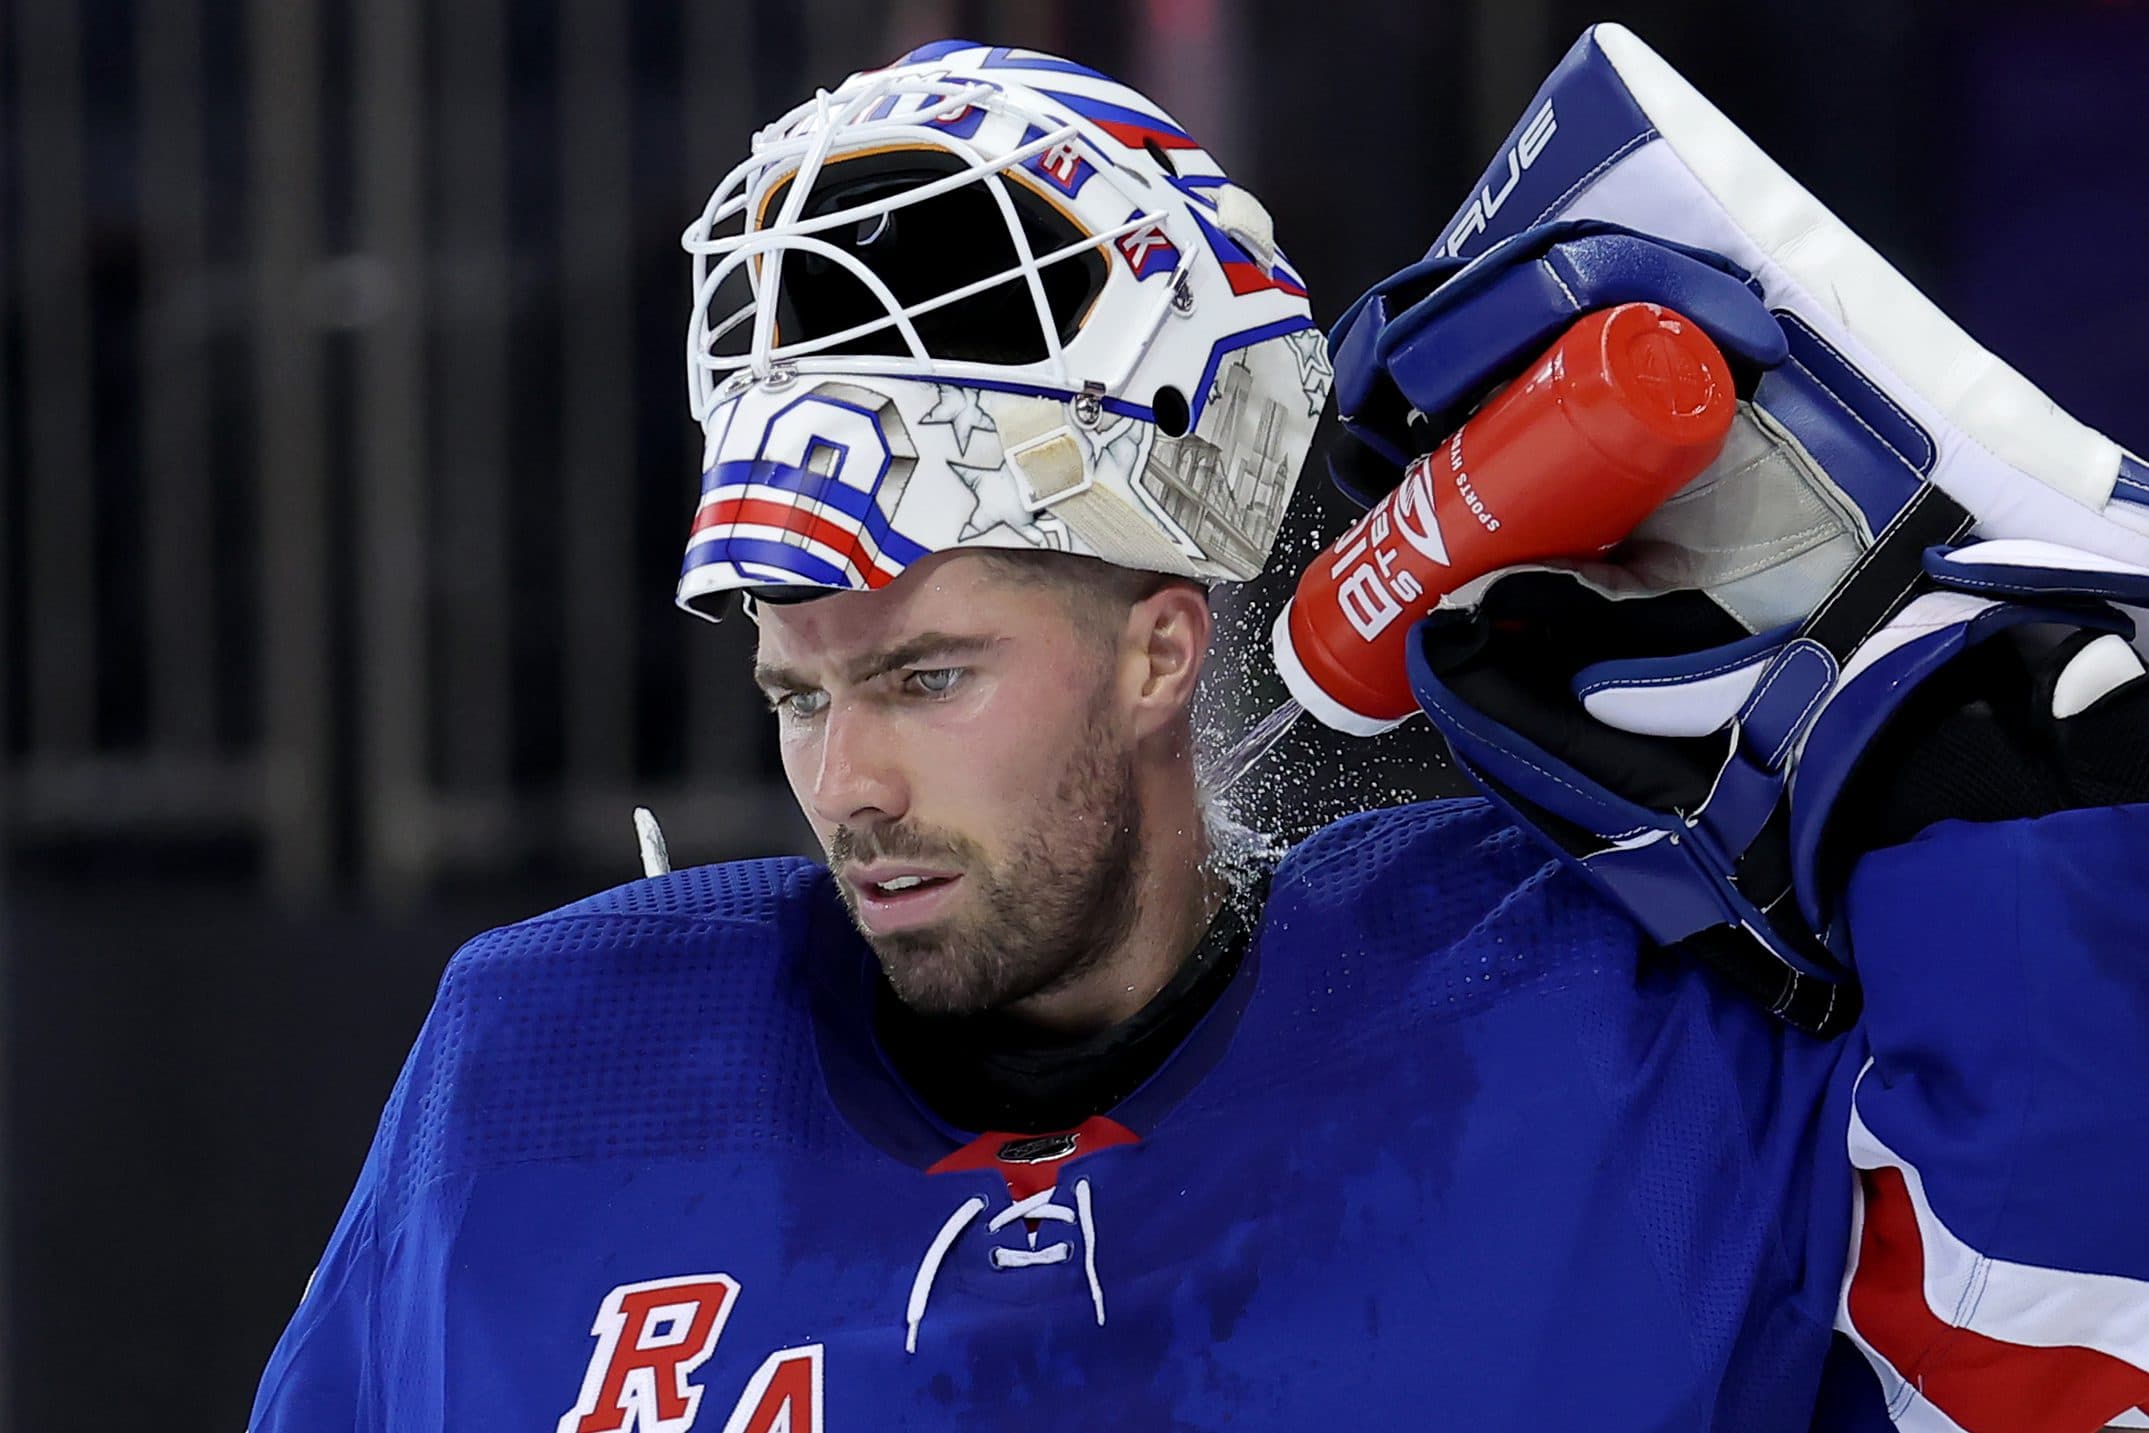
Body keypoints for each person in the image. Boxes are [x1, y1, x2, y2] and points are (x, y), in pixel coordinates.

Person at [250, 38, 2149, 1432]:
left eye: (925, 677)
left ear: (1167, 650)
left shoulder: (1596, 1015)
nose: (850, 788)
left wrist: (1990, 799)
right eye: (795, 692)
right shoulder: (548, 1065)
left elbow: (2055, 1358)